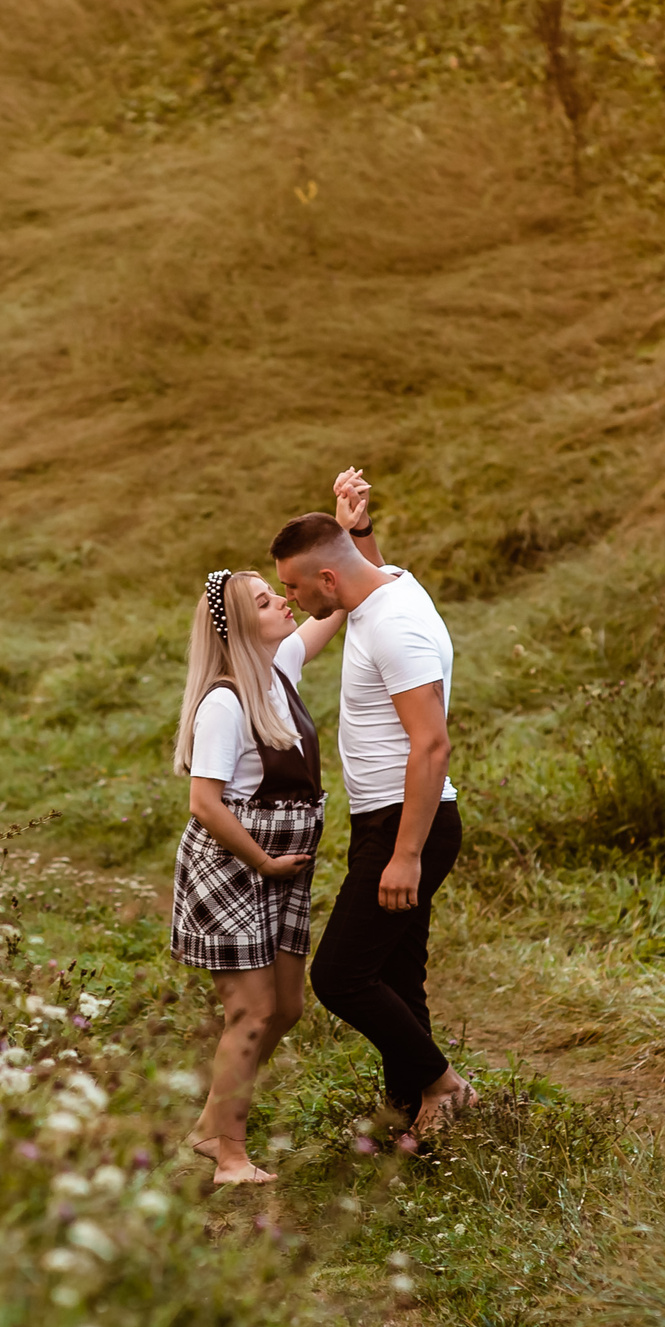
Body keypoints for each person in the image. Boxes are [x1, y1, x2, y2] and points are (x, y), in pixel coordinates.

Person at [168, 477, 363, 1184]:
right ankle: (230, 1156)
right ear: (238, 627)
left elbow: (338, 603)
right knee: (251, 1011)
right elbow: (205, 805)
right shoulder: (225, 702)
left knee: (286, 1006)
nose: (284, 601)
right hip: (235, 864)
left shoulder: (276, 667)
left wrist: (352, 537)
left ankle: (208, 1126)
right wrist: (266, 862)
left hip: (279, 865)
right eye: (265, 601)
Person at [271, 477, 477, 1137]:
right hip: (385, 819)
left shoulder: (396, 625)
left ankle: (445, 1086)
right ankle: (409, 1110)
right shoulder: (379, 588)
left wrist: (406, 854)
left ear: (327, 581)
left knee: (340, 975)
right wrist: (356, 529)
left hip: (406, 823)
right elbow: (363, 568)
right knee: (397, 971)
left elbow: (433, 743)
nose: (291, 600)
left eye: (296, 589)